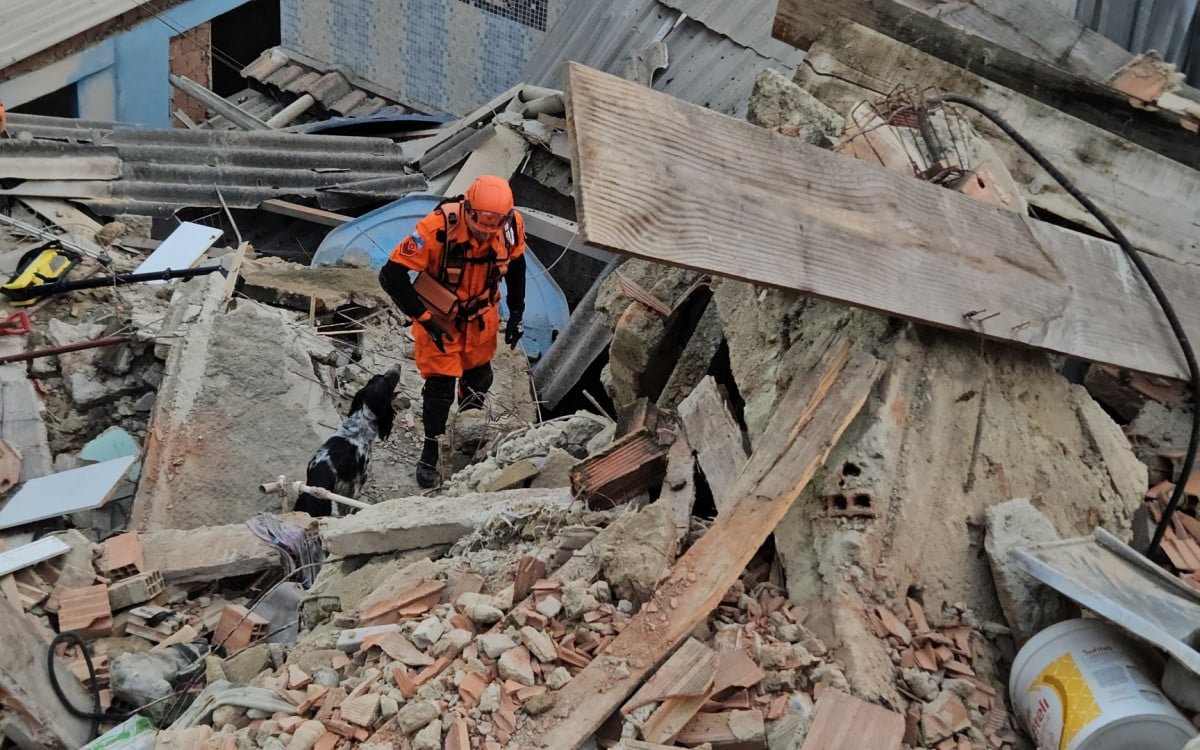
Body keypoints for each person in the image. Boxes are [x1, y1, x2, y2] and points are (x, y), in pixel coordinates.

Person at [379, 175, 526, 488]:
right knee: (439, 392)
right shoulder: (435, 229)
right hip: (440, 321)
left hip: (482, 319)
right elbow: (391, 274)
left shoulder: (510, 227)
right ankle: (431, 448)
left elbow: (516, 266)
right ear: (468, 210)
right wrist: (423, 317)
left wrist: (516, 313)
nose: (485, 235)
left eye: (492, 228)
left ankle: (465, 437)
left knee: (478, 381)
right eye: (479, 227)